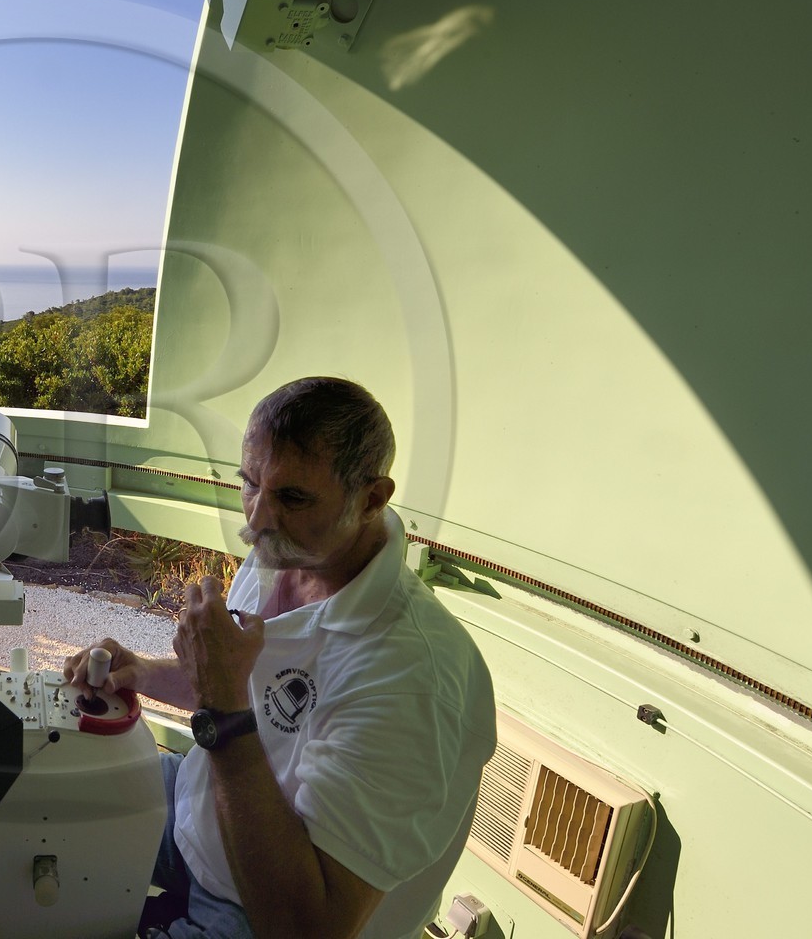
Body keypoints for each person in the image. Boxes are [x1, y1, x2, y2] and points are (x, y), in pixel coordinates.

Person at [65, 377, 496, 939]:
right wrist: (140, 672)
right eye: (249, 484)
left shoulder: (411, 677)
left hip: (257, 909)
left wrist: (220, 707)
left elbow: (306, 928)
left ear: (371, 498)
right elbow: (250, 693)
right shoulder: (286, 551)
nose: (256, 520)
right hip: (199, 810)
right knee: (48, 787)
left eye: (292, 497)